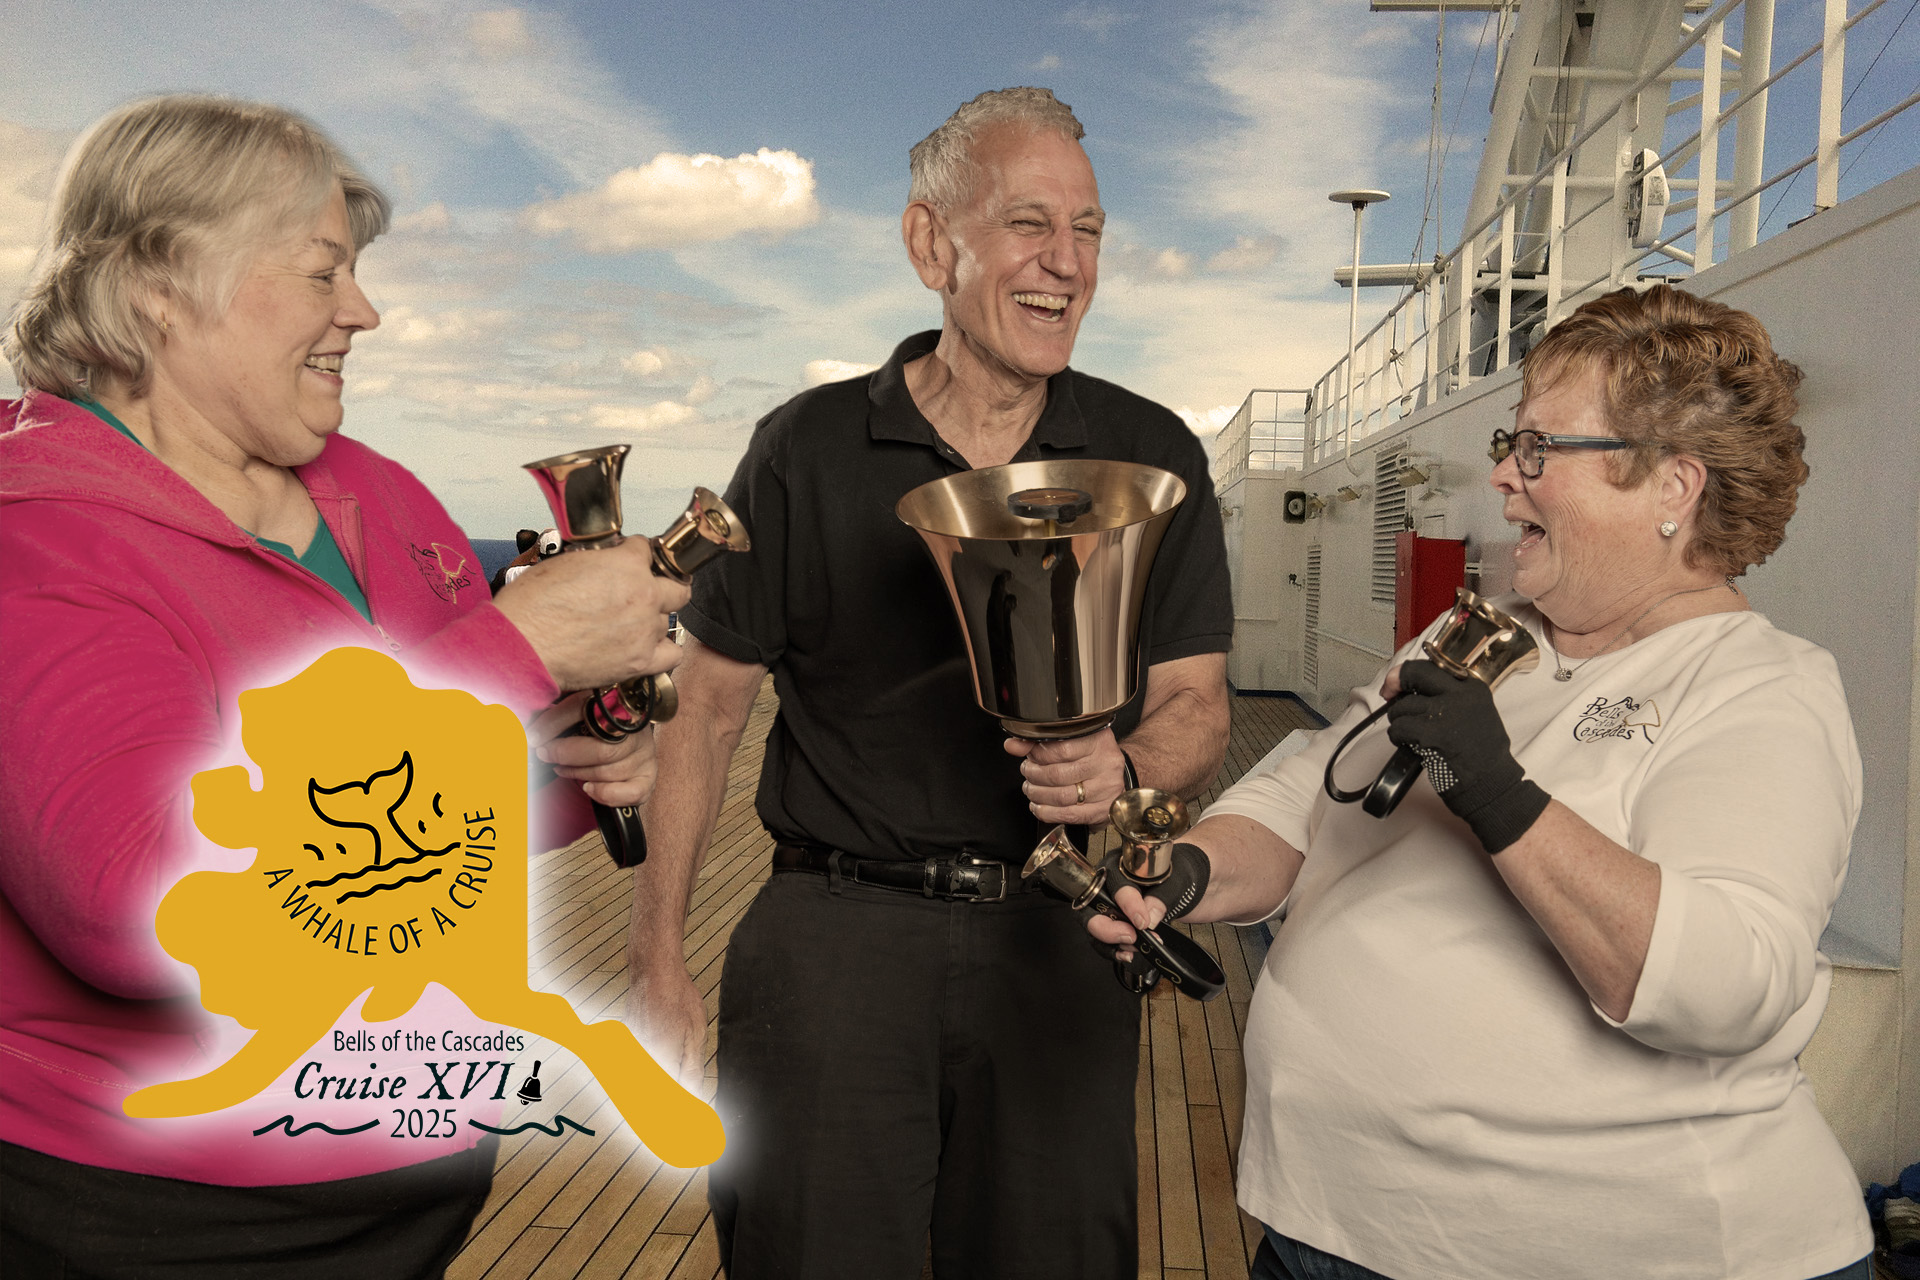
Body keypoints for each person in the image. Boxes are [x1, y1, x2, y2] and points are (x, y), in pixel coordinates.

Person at [0, 95, 689, 1276]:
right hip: (158, 1217)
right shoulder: (44, 538)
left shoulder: (375, 491)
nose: (362, 312)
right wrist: (513, 656)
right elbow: (140, 908)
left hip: (406, 1184)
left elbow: (405, 847)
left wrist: (562, 767)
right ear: (164, 279)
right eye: (324, 274)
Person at [1093, 284, 1874, 1280]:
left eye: (1540, 448)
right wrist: (1193, 871)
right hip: (1331, 1226)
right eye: (1512, 441)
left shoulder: (1762, 688)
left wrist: (1500, 794)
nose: (1503, 475)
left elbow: (1730, 985)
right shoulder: (1482, 632)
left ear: (1674, 487)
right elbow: (1303, 790)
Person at [624, 87, 1233, 1279]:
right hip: (836, 936)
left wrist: (1127, 767)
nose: (1068, 262)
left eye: (1090, 229)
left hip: (1057, 935)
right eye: (1028, 224)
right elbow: (705, 705)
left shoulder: (1153, 450)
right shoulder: (806, 447)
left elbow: (1196, 702)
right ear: (928, 244)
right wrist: (656, 958)